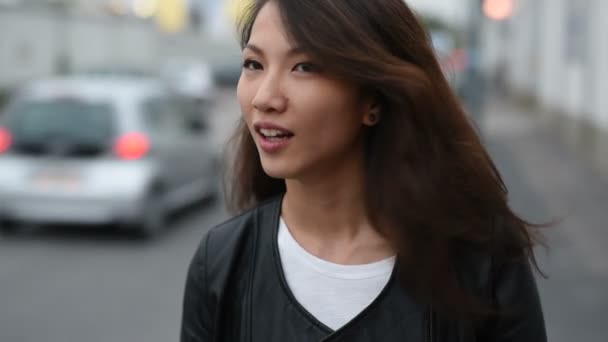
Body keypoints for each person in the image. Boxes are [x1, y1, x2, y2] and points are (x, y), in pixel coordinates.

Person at [180, 0, 547, 341]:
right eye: (254, 65)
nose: (264, 97)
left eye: (304, 66)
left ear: (373, 97)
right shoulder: (222, 262)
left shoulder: (482, 261)